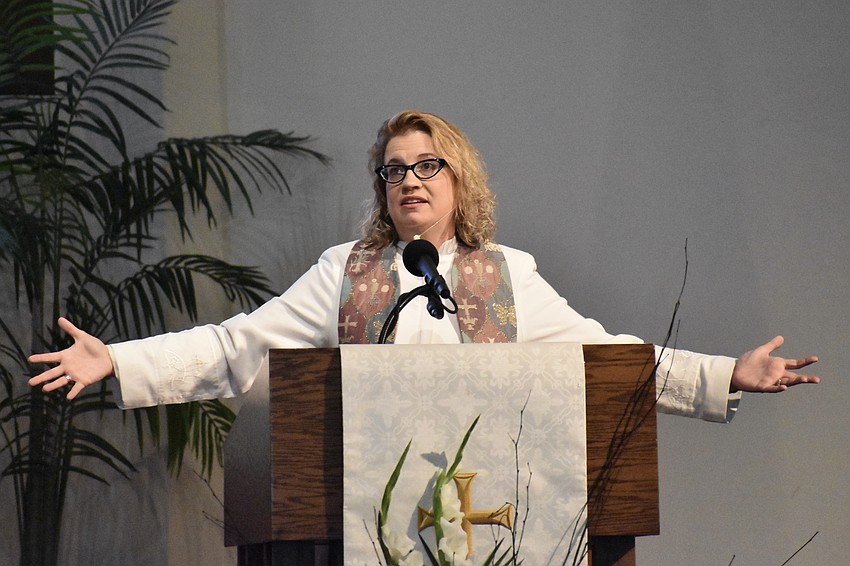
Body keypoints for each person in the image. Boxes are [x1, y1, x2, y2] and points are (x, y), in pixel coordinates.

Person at [28, 111, 820, 421]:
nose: (409, 178)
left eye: (427, 165)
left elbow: (600, 355)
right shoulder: (348, 270)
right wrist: (118, 359)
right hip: (366, 503)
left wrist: (723, 375)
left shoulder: (504, 274)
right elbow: (241, 346)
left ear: (459, 179)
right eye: (394, 168)